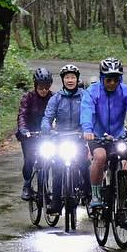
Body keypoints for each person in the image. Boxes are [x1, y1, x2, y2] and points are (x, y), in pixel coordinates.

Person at [80, 57, 127, 209]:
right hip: (97, 136)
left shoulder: (125, 91)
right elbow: (86, 111)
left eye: (116, 80)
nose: (112, 83)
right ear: (102, 78)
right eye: (109, 80)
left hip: (118, 136)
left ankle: (123, 202)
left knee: (125, 163)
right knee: (100, 157)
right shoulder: (92, 92)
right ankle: (95, 195)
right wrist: (87, 130)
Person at [40, 64, 85, 212]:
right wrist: (47, 129)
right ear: (63, 80)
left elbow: (92, 115)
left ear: (77, 79)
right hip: (60, 137)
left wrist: (87, 130)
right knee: (57, 167)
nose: (70, 80)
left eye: (73, 77)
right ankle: (56, 202)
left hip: (79, 137)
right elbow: (47, 117)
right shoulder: (56, 98)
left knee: (85, 163)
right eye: (67, 77)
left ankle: (88, 195)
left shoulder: (85, 96)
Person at [16, 67, 53, 200]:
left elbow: (58, 115)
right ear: (36, 85)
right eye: (41, 87)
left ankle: (44, 188)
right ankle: (27, 185)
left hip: (46, 134)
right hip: (30, 134)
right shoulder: (28, 97)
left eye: (46, 87)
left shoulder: (53, 97)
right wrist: (24, 130)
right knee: (30, 159)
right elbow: (22, 115)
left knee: (48, 159)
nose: (44, 90)